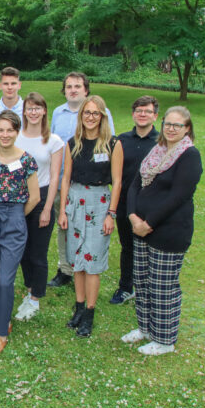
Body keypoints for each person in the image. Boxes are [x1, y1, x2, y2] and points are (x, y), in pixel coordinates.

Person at [123, 106, 202, 356]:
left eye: (177, 125)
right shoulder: (157, 151)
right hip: (141, 227)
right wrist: (133, 216)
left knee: (162, 286)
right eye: (168, 123)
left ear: (187, 128)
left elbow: (179, 195)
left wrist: (149, 222)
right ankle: (145, 328)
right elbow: (136, 184)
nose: (170, 128)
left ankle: (165, 339)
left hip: (168, 231)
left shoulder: (188, 155)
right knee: (143, 282)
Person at [58, 95, 122, 338]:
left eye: (96, 113)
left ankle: (90, 314)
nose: (91, 117)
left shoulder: (112, 144)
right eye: (87, 112)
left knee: (92, 262)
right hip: (75, 202)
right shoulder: (72, 143)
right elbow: (65, 178)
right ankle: (79, 306)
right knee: (77, 260)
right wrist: (63, 209)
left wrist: (111, 214)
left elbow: (116, 183)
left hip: (99, 203)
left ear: (102, 116)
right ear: (81, 115)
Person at [0, 110, 41, 356]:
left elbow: (34, 197)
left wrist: (15, 216)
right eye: (0, 130)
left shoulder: (27, 160)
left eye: (9, 130)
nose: (4, 134)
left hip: (14, 218)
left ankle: (2, 335)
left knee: (6, 279)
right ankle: (2, 322)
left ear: (17, 131)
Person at [48, 72, 115, 288]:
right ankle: (66, 268)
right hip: (64, 183)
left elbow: (108, 145)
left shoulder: (103, 114)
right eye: (69, 87)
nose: (73, 90)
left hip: (93, 185)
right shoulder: (58, 113)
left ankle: (88, 265)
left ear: (86, 90)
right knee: (65, 226)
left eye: (78, 86)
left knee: (90, 228)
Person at [13, 92, 64, 321]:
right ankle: (29, 288)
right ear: (24, 111)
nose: (33, 112)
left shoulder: (53, 141)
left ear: (44, 111)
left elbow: (55, 177)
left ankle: (35, 298)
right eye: (29, 108)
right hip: (19, 196)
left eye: (38, 108)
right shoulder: (16, 138)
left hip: (42, 195)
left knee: (38, 252)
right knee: (21, 249)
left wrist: (47, 208)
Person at [110, 96, 159, 305]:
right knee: (127, 246)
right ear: (133, 114)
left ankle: (147, 290)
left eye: (147, 111)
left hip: (151, 204)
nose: (142, 114)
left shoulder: (161, 142)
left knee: (150, 248)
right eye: (139, 110)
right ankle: (125, 287)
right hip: (124, 203)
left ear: (155, 116)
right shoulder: (121, 140)